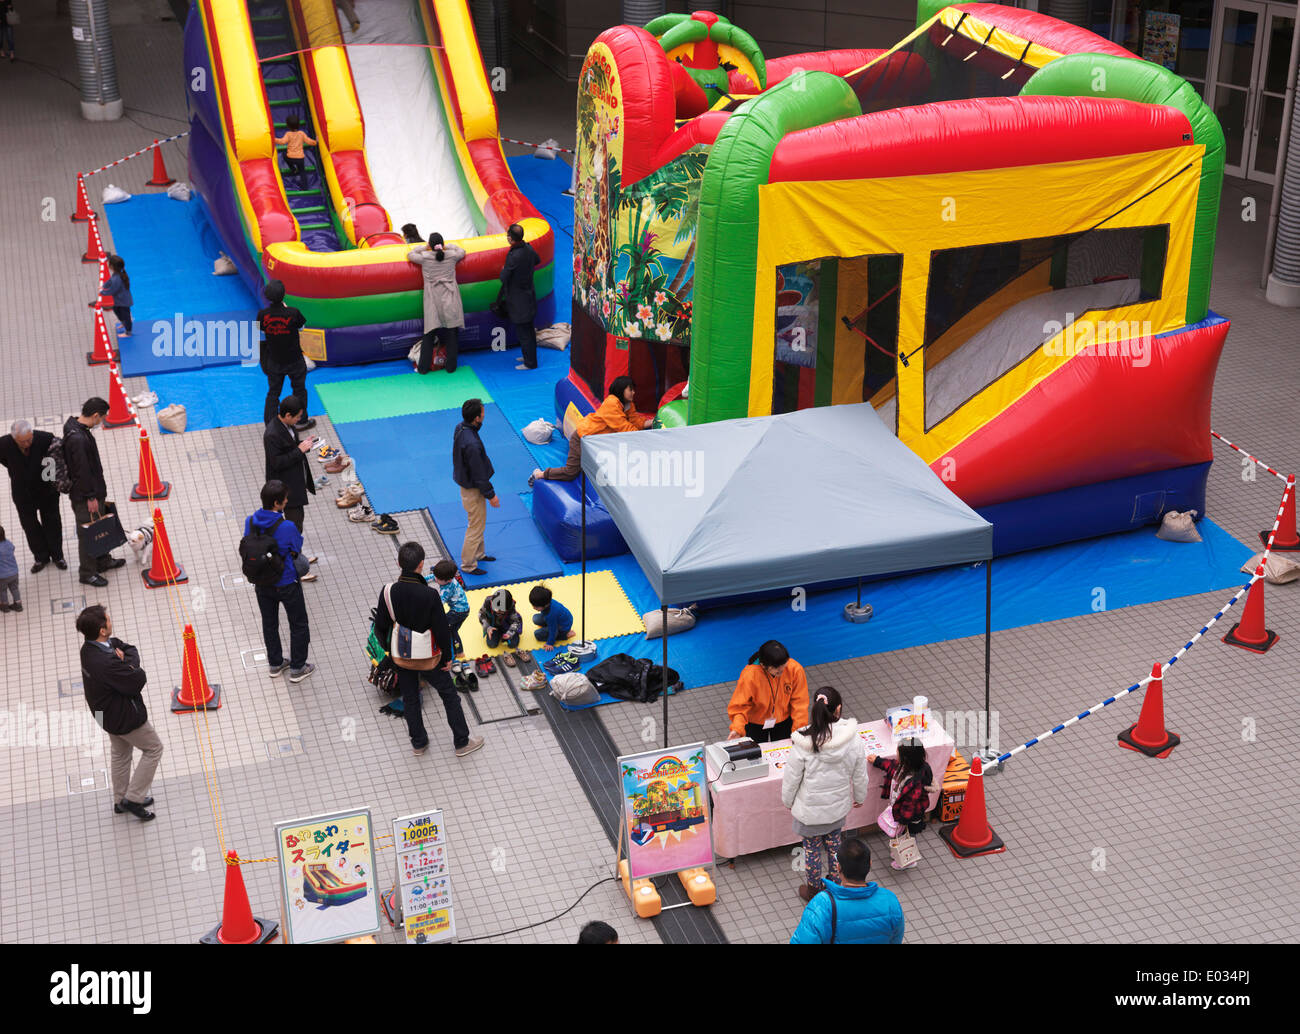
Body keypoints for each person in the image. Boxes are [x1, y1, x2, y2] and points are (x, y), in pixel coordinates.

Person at [373, 541, 483, 758]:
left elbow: (380, 626)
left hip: (402, 655)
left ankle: (418, 743)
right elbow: (442, 629)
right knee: (449, 695)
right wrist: (448, 657)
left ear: (398, 563)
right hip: (430, 657)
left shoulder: (388, 591)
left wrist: (391, 651)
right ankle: (461, 742)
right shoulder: (430, 595)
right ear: (422, 565)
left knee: (410, 697)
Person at [77, 605, 164, 822]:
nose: (111, 621)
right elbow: (137, 680)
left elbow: (128, 647)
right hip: (123, 716)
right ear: (102, 630)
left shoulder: (90, 649)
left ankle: (120, 800)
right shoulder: (107, 661)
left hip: (103, 714)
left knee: (120, 753)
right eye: (108, 620)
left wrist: (126, 661)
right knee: (154, 749)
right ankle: (133, 799)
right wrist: (126, 663)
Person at [781, 687, 867, 901]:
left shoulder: (803, 742)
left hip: (809, 811)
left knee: (811, 852)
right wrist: (860, 796)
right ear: (838, 709)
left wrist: (788, 800)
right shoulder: (852, 739)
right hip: (837, 808)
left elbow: (792, 777)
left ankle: (813, 890)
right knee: (835, 846)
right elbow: (860, 773)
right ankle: (836, 886)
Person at [245, 480, 314, 684]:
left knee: (270, 623)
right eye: (284, 499)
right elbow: (296, 547)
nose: (286, 501)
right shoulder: (287, 526)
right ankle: (298, 667)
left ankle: (275, 663)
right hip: (286, 583)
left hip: (262, 582)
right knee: (298, 624)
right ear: (277, 503)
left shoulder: (250, 521)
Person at [532, 376, 647, 484]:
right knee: (570, 472)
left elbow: (636, 421)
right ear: (621, 390)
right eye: (630, 390)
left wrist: (653, 422)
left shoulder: (628, 404)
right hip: (582, 438)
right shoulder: (611, 404)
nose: (633, 392)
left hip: (595, 441)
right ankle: (540, 474)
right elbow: (625, 429)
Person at [789, 837, 905, 944]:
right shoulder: (889, 901)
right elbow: (895, 939)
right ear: (869, 864)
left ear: (839, 867)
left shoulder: (823, 905)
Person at [63, 398, 125, 587]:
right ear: (96, 415)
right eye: (103, 417)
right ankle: (88, 572)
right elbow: (82, 471)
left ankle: (103, 560)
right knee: (89, 532)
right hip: (86, 496)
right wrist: (90, 496)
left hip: (92, 491)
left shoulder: (74, 426)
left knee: (100, 526)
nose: (102, 421)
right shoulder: (79, 439)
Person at [0, 418, 66, 572]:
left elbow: (52, 462)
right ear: (14, 438)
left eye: (29, 439)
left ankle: (58, 556)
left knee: (53, 522)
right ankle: (41, 557)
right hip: (22, 493)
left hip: (46, 491)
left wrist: (51, 485)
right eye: (22, 442)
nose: (27, 444)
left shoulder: (45, 439)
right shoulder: (4, 444)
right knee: (30, 526)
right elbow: (5, 461)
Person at [868, 738, 937, 870]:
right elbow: (890, 765)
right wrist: (877, 761)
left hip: (910, 817)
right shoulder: (904, 767)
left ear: (906, 758)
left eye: (898, 752)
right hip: (901, 812)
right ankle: (901, 852)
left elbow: (909, 805)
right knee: (903, 835)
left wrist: (902, 820)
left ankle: (908, 860)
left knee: (908, 836)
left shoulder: (915, 782)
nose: (896, 754)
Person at [726, 640, 809, 743]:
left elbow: (800, 703)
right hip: (755, 723)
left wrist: (798, 731)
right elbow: (739, 707)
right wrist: (737, 728)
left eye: (784, 664)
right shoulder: (750, 675)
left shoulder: (795, 669)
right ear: (763, 665)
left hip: (783, 721)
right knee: (756, 756)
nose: (781, 670)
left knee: (786, 754)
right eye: (776, 667)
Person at [257, 279, 314, 430]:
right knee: (299, 390)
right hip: (294, 359)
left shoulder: (262, 315)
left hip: (274, 360)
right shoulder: (293, 312)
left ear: (267, 296)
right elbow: (301, 328)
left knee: (273, 393)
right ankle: (301, 421)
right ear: (284, 295)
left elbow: (261, 333)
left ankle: (271, 424)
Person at [408, 232, 467, 374]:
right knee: (451, 333)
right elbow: (462, 251)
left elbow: (410, 254)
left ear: (430, 245)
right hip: (450, 298)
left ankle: (423, 368)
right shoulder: (451, 256)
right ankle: (451, 367)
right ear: (442, 244)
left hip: (433, 300)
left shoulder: (425, 258)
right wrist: (448, 246)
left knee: (429, 334)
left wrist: (424, 247)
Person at [452, 398, 499, 575]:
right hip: (473, 488)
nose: (484, 417)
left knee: (479, 521)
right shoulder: (472, 442)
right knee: (475, 525)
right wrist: (491, 495)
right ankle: (468, 564)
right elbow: (479, 473)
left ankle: (479, 554)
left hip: (466, 481)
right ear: (476, 418)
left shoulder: (461, 427)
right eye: (483, 415)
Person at [264, 396, 316, 534]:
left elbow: (290, 446)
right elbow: (277, 463)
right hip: (285, 486)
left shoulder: (287, 425)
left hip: (294, 480)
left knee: (297, 520)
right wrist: (300, 450)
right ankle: (292, 553)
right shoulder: (272, 434)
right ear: (287, 415)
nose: (299, 420)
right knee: (295, 524)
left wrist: (305, 445)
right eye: (297, 417)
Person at [498, 223, 541, 370]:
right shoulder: (528, 248)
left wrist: (504, 269)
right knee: (529, 330)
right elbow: (537, 260)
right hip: (528, 294)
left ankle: (530, 363)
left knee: (524, 332)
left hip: (518, 299)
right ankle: (529, 356)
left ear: (511, 238)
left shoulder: (513, 256)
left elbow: (504, 277)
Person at [429, 559, 469, 657]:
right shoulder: (445, 577)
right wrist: (421, 580)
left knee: (442, 625)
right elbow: (432, 577)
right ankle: (459, 652)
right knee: (453, 630)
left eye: (438, 579)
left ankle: (453, 652)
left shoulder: (447, 589)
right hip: (464, 609)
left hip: (458, 612)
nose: (436, 580)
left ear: (449, 580)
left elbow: (439, 604)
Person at [90, 255, 133, 338]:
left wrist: (103, 292)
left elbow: (113, 290)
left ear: (112, 266)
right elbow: (110, 281)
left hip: (124, 301)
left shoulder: (117, 278)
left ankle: (128, 332)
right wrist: (104, 286)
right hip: (120, 300)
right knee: (116, 309)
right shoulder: (116, 274)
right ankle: (124, 322)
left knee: (125, 315)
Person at [274, 114, 316, 189]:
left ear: (288, 126)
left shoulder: (288, 134)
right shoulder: (301, 134)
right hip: (300, 158)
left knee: (284, 154)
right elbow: (309, 141)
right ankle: (305, 187)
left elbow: (282, 142)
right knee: (302, 172)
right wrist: (316, 142)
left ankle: (293, 169)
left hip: (290, 157)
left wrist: (274, 139)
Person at [528, 584, 574, 649]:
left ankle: (564, 635)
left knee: (537, 635)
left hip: (562, 627)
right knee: (535, 618)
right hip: (559, 620)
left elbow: (553, 630)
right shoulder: (547, 600)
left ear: (545, 605)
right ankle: (551, 627)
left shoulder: (551, 614)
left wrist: (550, 643)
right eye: (533, 605)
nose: (533, 607)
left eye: (536, 606)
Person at [0, 526, 19, 613]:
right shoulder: (8, 543)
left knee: (2, 591)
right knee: (14, 589)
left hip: (2, 576)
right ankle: (18, 605)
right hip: (14, 573)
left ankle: (5, 606)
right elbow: (13, 548)